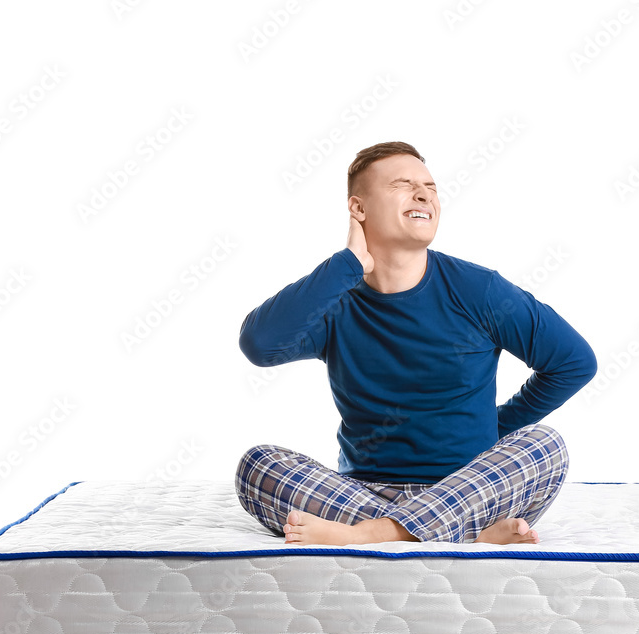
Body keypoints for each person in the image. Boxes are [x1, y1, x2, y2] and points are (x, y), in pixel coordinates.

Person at [236, 141, 597, 546]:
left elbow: (574, 362)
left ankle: (375, 533)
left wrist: (497, 428)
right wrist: (348, 264)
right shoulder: (333, 300)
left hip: (472, 488)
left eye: (430, 187)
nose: (425, 195)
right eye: (403, 185)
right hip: (363, 491)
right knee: (258, 465)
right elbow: (260, 345)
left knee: (545, 445)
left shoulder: (479, 290)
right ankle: (461, 535)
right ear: (358, 208)